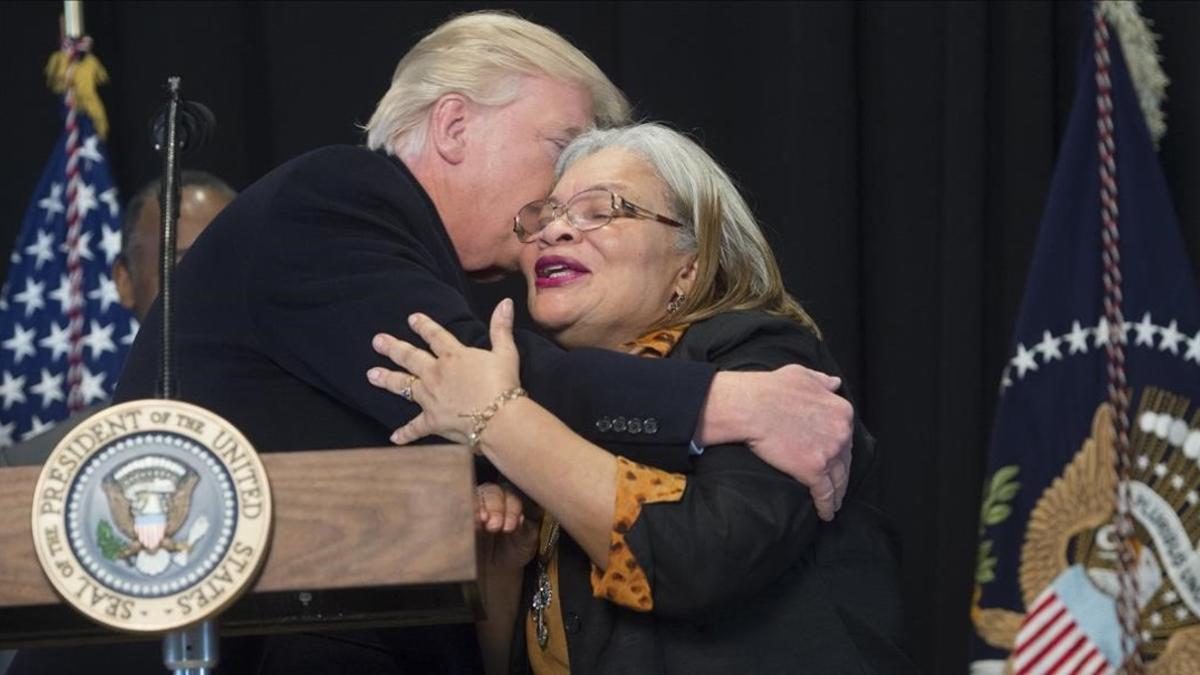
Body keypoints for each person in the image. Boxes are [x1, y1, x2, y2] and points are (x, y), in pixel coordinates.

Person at [85, 12, 850, 674]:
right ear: (454, 125)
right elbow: (501, 386)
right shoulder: (339, 200)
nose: (556, 200)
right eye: (561, 148)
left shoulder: (439, 267)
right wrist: (727, 402)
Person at [367, 124, 915, 673]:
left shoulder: (762, 355)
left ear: (691, 264)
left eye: (599, 210)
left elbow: (699, 560)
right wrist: (503, 569)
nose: (554, 232)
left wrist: (495, 418)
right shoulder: (551, 404)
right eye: (547, 214)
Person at [0, 171, 235, 467]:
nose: (209, 285)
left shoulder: (306, 438)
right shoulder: (33, 464)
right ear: (125, 281)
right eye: (183, 265)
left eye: (229, 263)